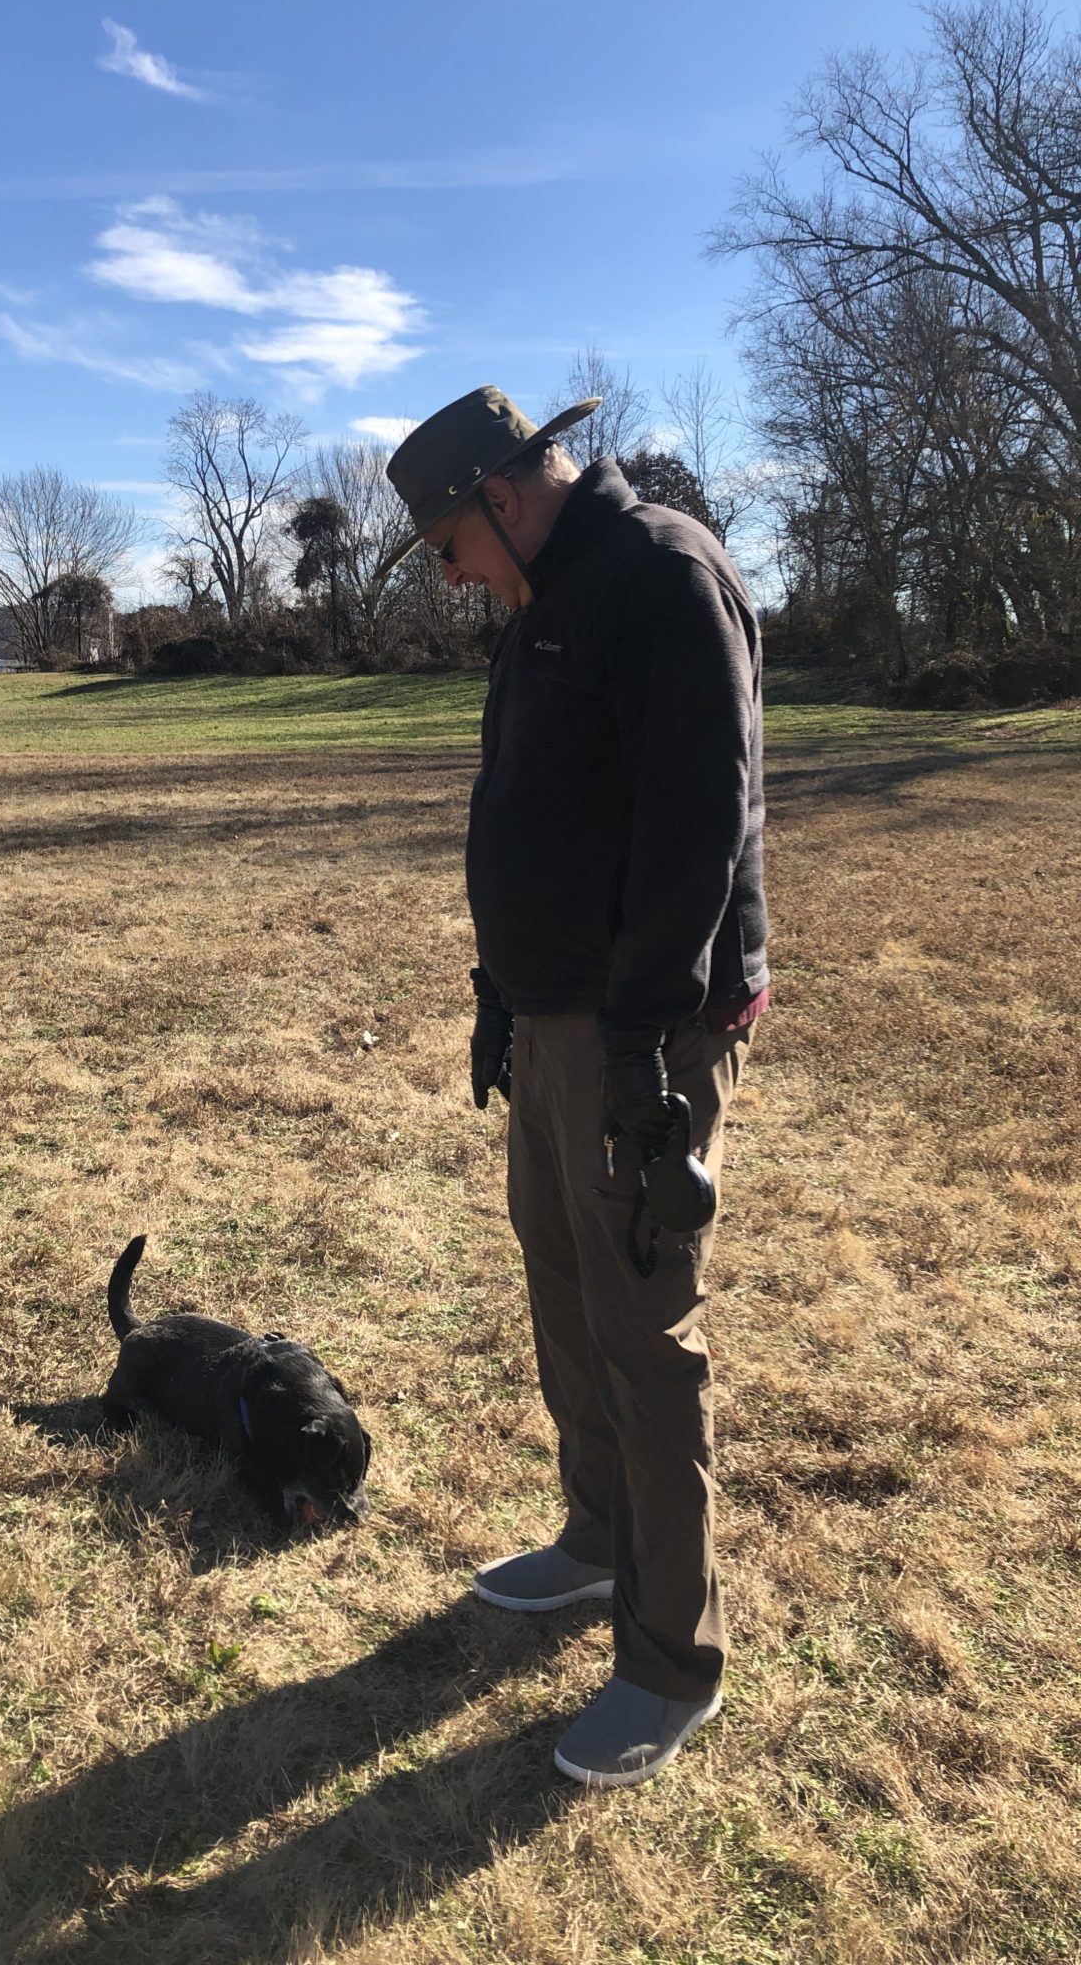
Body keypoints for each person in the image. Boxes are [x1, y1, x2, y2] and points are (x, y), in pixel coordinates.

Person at [379, 387, 769, 1789]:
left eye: (444, 544)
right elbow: (537, 810)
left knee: (646, 1333)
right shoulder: (548, 598)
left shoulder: (659, 575)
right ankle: (600, 1538)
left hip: (635, 1029)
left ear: (504, 490)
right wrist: (503, 997)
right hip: (551, 1018)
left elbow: (697, 821)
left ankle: (672, 1659)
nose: (447, 575)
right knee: (564, 1286)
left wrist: (645, 1046)